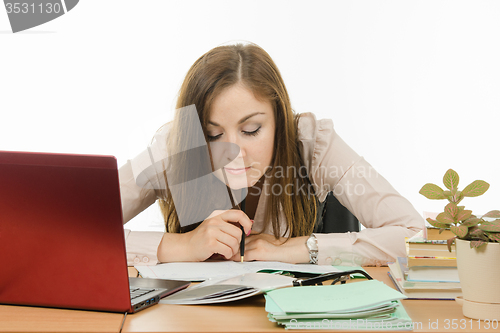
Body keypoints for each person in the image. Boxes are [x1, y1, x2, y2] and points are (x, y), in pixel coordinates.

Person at [119, 42, 423, 267]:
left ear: (279, 119)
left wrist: (298, 248)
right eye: (213, 135)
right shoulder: (176, 146)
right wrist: (180, 246)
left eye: (251, 129)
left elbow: (414, 234)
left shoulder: (312, 140)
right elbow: (75, 230)